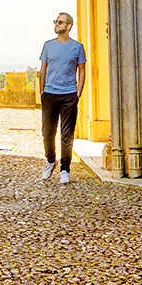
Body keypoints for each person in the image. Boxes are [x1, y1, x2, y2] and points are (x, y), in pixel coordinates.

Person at [37, 11, 87, 184]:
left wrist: (78, 93)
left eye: (60, 22)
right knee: (47, 132)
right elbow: (43, 68)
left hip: (68, 95)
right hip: (50, 95)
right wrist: (41, 92)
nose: (56, 24)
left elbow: (82, 71)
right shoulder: (48, 45)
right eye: (56, 22)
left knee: (67, 134)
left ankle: (65, 169)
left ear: (68, 26)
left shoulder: (77, 47)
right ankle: (50, 160)